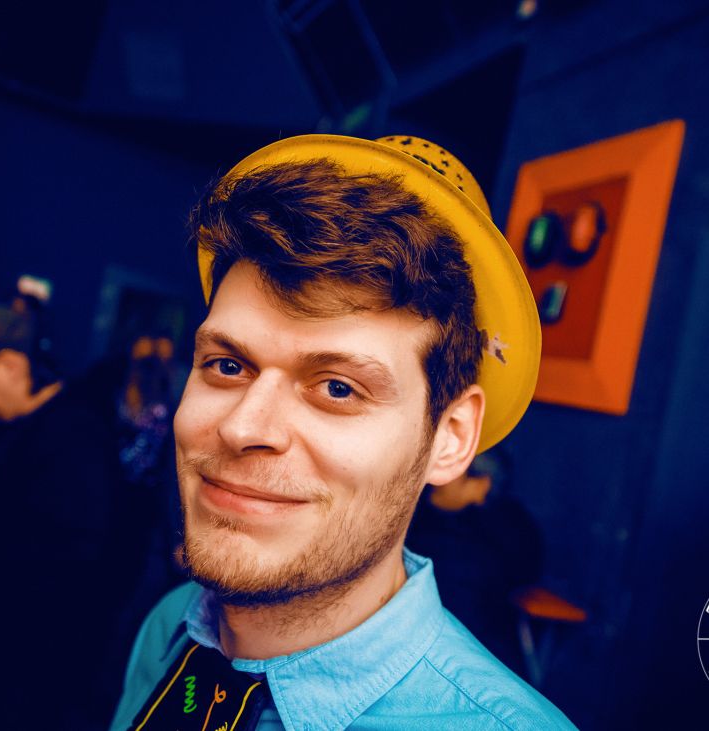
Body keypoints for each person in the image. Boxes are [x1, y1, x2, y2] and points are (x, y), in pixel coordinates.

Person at [110, 134, 577, 729]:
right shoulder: (169, 629)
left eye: (337, 388)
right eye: (227, 366)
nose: (242, 427)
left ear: (451, 438)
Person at [0, 305, 127, 729]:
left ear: (10, 365)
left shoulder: (74, 440)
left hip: (17, 678)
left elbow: (65, 570)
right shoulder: (12, 427)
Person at [407, 448, 544, 675]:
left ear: (482, 484)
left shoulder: (500, 533)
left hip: (467, 655)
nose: (436, 478)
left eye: (452, 471)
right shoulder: (418, 514)